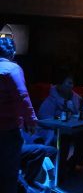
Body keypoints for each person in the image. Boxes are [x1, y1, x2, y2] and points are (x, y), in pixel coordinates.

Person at [0, 37, 37, 193]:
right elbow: (22, 96)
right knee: (9, 174)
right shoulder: (12, 69)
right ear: (12, 53)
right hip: (8, 130)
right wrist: (31, 121)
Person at [38, 67, 83, 144]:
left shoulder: (76, 97)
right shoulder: (50, 101)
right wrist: (60, 118)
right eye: (69, 83)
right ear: (59, 84)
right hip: (56, 133)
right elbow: (44, 120)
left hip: (76, 130)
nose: (71, 86)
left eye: (72, 83)